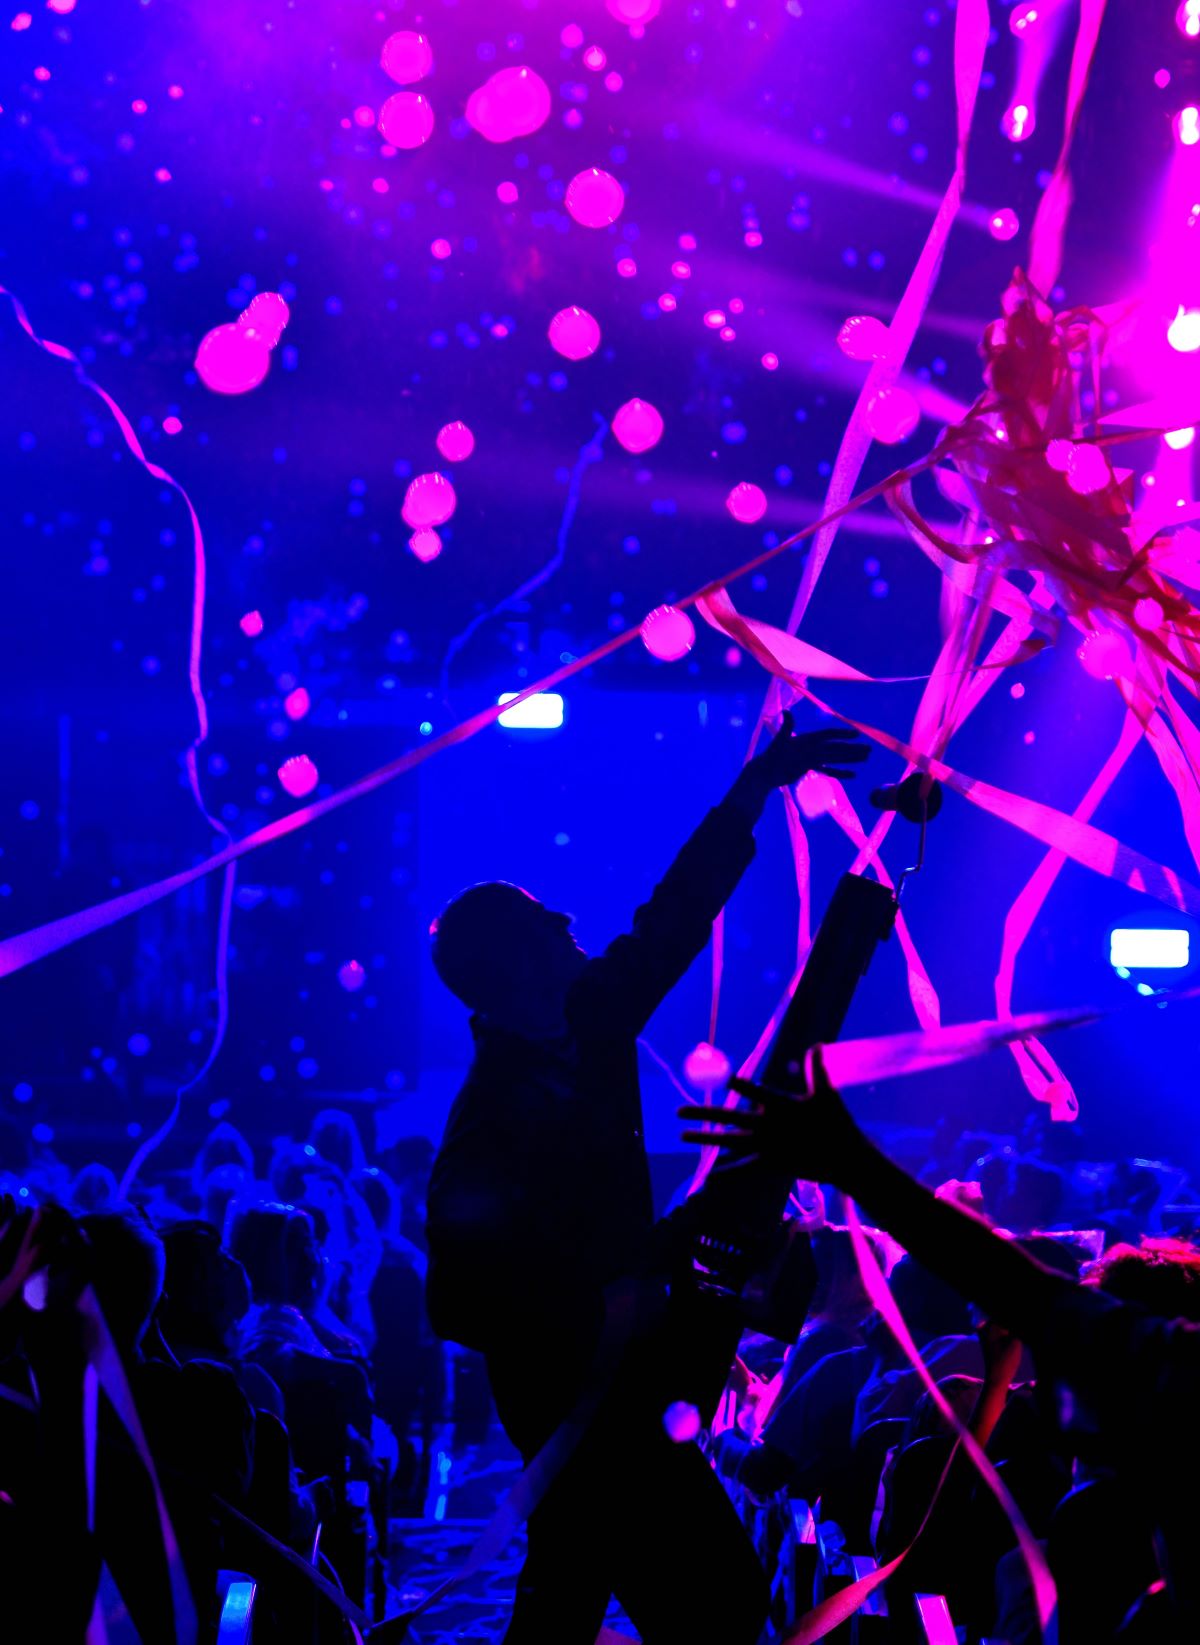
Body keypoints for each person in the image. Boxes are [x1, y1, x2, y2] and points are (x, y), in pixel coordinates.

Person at [425, 711, 868, 1645]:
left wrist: (754, 788)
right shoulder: (488, 1117)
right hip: (574, 1395)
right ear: (515, 967)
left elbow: (673, 919)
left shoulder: (588, 1019)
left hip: (619, 1387)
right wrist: (607, 1295)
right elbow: (457, 1301)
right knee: (708, 1598)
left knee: (583, 1582)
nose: (566, 920)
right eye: (542, 919)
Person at [680, 1057, 1200, 1638]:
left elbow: (1023, 1291)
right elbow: (1025, 1292)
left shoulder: (1085, 1473)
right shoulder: (1060, 1423)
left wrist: (849, 1160)